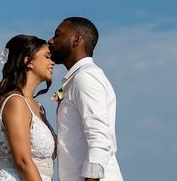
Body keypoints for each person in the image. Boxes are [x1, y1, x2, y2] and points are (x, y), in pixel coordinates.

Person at [48, 17, 123, 181]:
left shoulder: (85, 77)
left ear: (76, 39)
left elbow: (100, 139)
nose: (51, 40)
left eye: (57, 35)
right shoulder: (76, 78)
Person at [0, 34, 57, 181]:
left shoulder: (39, 108)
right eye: (47, 56)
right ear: (28, 61)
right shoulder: (16, 102)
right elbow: (23, 161)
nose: (52, 62)